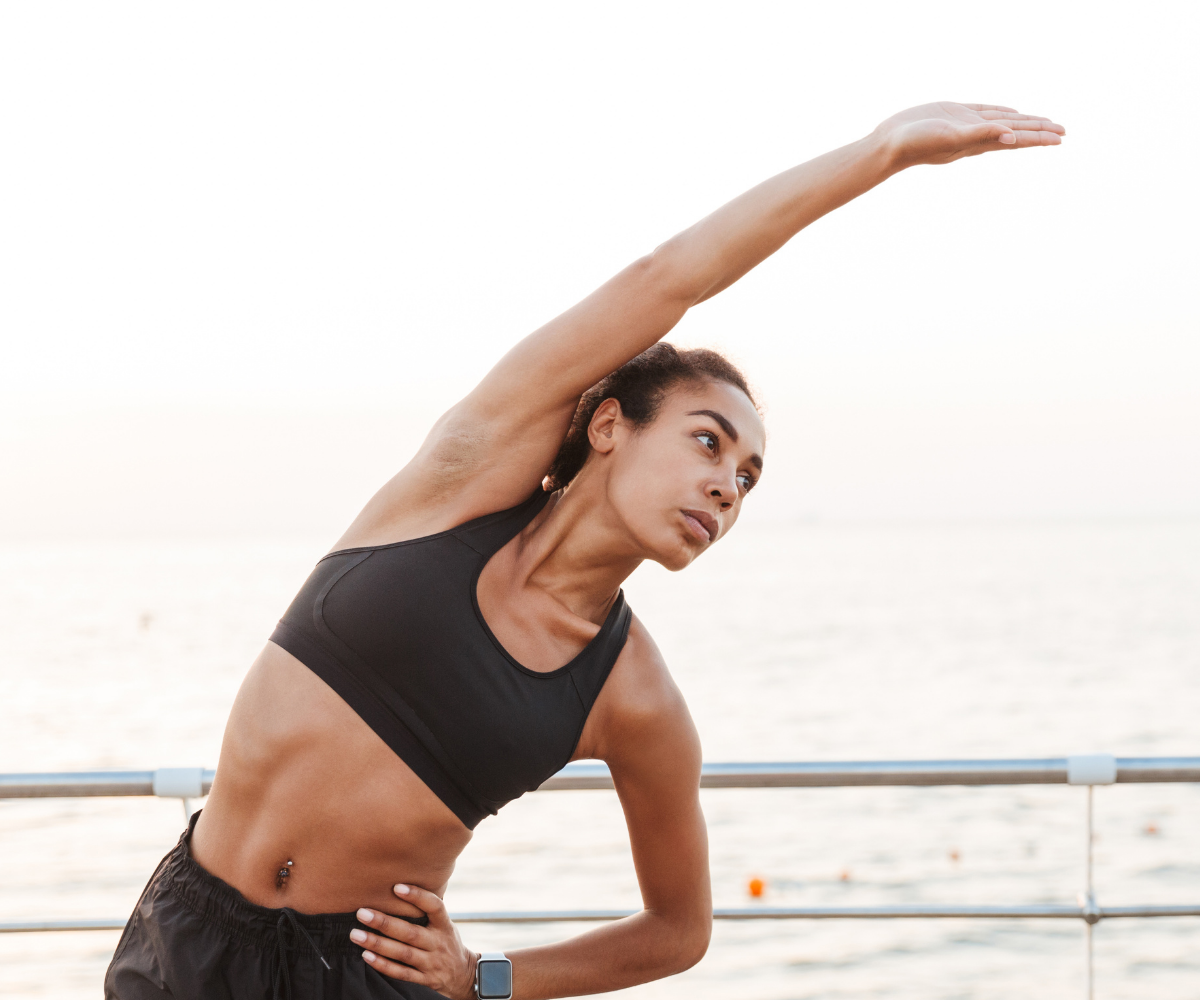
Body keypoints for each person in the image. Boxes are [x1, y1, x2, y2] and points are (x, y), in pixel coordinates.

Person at [105, 101, 1063, 1000]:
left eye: (749, 478)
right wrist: (882, 152)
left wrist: (487, 976)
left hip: (363, 979)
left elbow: (680, 929)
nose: (728, 485)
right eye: (707, 441)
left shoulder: (633, 696)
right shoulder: (460, 481)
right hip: (189, 935)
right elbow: (668, 276)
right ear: (609, 424)